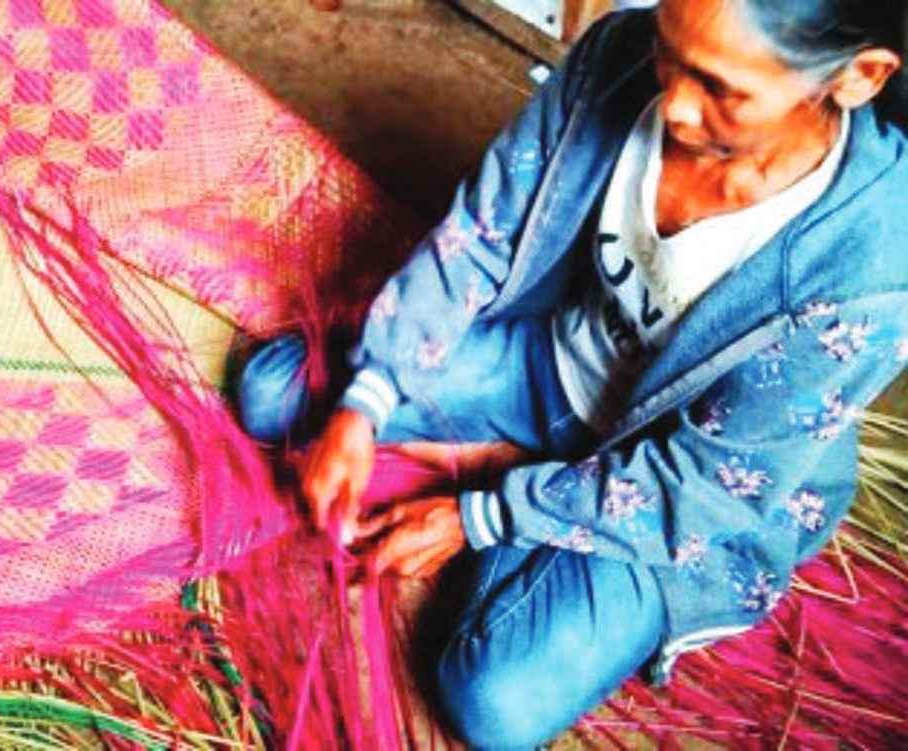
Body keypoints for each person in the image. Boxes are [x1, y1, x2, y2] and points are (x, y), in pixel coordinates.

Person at [236, 0, 908, 747]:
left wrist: (484, 514)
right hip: (555, 366)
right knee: (274, 394)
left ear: (859, 78)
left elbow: (707, 488)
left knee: (493, 701)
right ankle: (524, 470)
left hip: (675, 479)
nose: (677, 107)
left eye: (723, 89)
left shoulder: (869, 271)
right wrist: (369, 399)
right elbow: (485, 235)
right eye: (667, 50)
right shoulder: (618, 56)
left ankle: (528, 484)